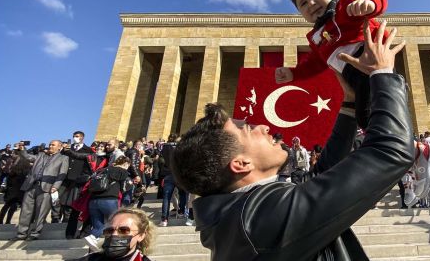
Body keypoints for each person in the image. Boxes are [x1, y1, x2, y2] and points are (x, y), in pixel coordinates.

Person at [170, 20, 411, 260]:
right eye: (247, 128)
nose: (264, 127)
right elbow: (391, 151)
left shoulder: (245, 216)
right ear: (241, 163)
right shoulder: (261, 222)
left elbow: (320, 176)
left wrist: (348, 103)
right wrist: (382, 73)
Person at [275, 0, 389, 129]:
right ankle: (412, 147)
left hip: (369, 62)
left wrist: (369, 4)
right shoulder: (316, 38)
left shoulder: (344, 6)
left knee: (372, 114)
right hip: (353, 78)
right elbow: (314, 64)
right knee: (366, 118)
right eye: (303, 3)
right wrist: (294, 73)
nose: (311, 3)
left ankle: (409, 147)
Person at [12, 140, 69, 241]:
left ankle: (35, 234)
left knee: (41, 212)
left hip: (47, 188)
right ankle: (21, 234)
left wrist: (56, 186)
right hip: (31, 186)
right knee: (25, 211)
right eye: (50, 144)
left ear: (59, 147)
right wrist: (22, 149)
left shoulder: (63, 158)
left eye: (53, 145)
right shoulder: (41, 155)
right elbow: (28, 157)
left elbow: (63, 173)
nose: (50, 146)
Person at [84, 156, 132, 252]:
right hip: (109, 200)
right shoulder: (121, 171)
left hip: (93, 201)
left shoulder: (102, 170)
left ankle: (93, 243)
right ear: (126, 164)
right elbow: (125, 187)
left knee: (98, 226)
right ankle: (116, 248)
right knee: (115, 224)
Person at [72, 208, 155, 261]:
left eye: (124, 230)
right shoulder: (91, 259)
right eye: (110, 230)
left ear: (141, 236)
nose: (114, 234)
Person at [58, 131, 93, 238]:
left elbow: (80, 158)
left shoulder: (89, 150)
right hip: (65, 176)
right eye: (74, 136)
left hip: (78, 180)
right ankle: (59, 217)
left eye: (77, 136)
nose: (75, 138)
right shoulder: (68, 148)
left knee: (73, 204)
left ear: (82, 137)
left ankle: (67, 220)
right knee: (60, 199)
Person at [0, 152, 30, 224]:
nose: (12, 155)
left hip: (20, 187)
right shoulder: (11, 162)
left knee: (13, 206)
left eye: (14, 153)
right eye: (12, 153)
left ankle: (8, 221)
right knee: (7, 205)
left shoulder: (24, 163)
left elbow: (26, 173)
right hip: (12, 186)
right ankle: (0, 221)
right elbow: (7, 172)